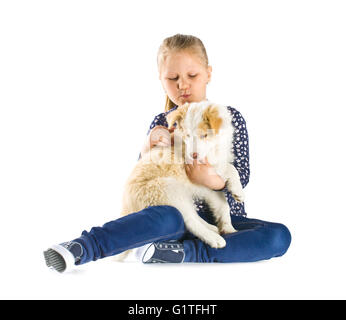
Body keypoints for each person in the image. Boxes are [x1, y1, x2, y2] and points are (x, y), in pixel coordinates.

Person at [43, 34, 291, 272]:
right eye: (172, 78)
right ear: (161, 80)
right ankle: (82, 247)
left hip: (223, 223)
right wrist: (147, 147)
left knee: (279, 236)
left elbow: (242, 176)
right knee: (163, 218)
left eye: (191, 75)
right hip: (174, 215)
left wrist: (212, 180)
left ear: (208, 74)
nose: (182, 85)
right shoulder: (164, 122)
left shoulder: (229, 117)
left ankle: (179, 252)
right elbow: (146, 178)